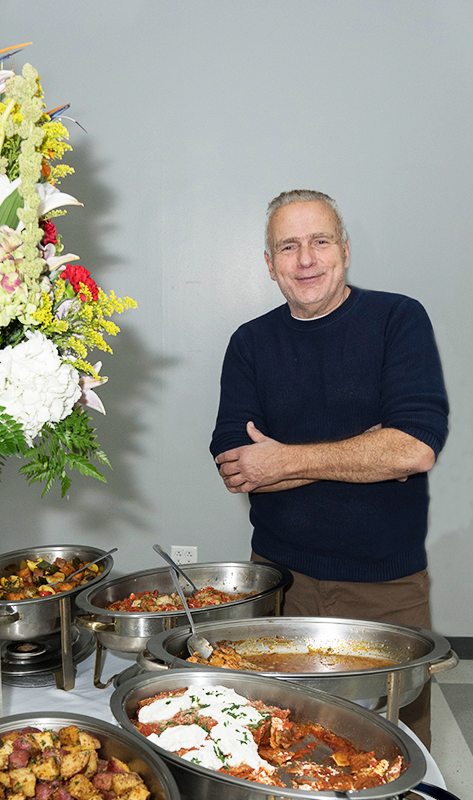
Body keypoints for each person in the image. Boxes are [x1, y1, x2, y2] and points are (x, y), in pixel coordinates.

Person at [209, 189, 449, 748]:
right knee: (279, 750)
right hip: (278, 587)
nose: (306, 259)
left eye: (320, 241)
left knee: (394, 752)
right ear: (270, 265)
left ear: (344, 249)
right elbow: (239, 467)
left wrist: (284, 459)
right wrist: (365, 452)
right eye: (288, 247)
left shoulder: (398, 319)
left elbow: (413, 449)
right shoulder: (249, 344)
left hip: (386, 589)